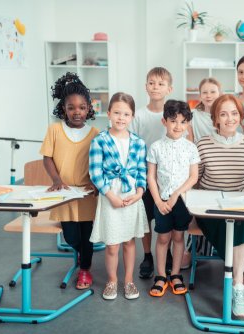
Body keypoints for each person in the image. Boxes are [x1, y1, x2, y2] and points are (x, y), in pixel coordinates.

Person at [196, 94, 244, 318]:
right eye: (223, 114)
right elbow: (195, 181)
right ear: (215, 119)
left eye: (234, 113)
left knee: (240, 222)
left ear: (241, 117)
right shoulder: (203, 145)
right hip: (209, 209)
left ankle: (238, 286)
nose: (229, 118)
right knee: (238, 226)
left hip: (237, 207)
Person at [40, 72, 99, 290]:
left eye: (82, 107)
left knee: (87, 236)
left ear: (89, 109)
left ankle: (85, 270)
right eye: (72, 107)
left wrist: (96, 182)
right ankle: (81, 255)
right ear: (63, 108)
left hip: (87, 195)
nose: (77, 112)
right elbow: (47, 158)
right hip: (64, 194)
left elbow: (100, 163)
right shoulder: (54, 130)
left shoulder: (95, 133)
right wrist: (56, 179)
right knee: (71, 236)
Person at [89, 92, 148, 300]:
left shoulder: (139, 143)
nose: (121, 118)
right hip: (110, 195)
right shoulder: (100, 141)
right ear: (108, 114)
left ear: (132, 116)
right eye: (117, 113)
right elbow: (95, 172)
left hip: (131, 195)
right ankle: (112, 280)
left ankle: (129, 281)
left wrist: (140, 192)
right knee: (113, 244)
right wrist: (110, 196)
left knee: (129, 241)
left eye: (126, 114)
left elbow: (142, 171)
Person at [147, 100, 200, 297]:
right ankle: (160, 276)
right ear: (164, 121)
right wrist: (159, 202)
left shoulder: (190, 148)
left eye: (183, 122)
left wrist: (176, 194)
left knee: (178, 237)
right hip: (161, 201)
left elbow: (193, 176)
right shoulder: (156, 147)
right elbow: (151, 177)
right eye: (173, 121)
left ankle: (176, 274)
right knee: (162, 238)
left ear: (188, 124)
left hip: (182, 202)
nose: (178, 126)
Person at [129, 67, 173, 279]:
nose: (156, 87)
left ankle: (169, 252)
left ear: (169, 88)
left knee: (167, 217)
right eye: (152, 83)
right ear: (146, 86)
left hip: (168, 177)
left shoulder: (171, 114)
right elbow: (133, 146)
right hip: (145, 175)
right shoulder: (138, 115)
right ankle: (147, 255)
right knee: (145, 219)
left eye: (161, 84)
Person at [181, 78, 222, 269]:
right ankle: (192, 250)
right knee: (198, 210)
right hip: (199, 162)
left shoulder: (223, 114)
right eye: (205, 92)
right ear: (200, 95)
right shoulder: (194, 115)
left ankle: (218, 247)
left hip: (219, 163)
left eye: (213, 91)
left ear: (219, 93)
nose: (208, 95)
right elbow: (190, 139)